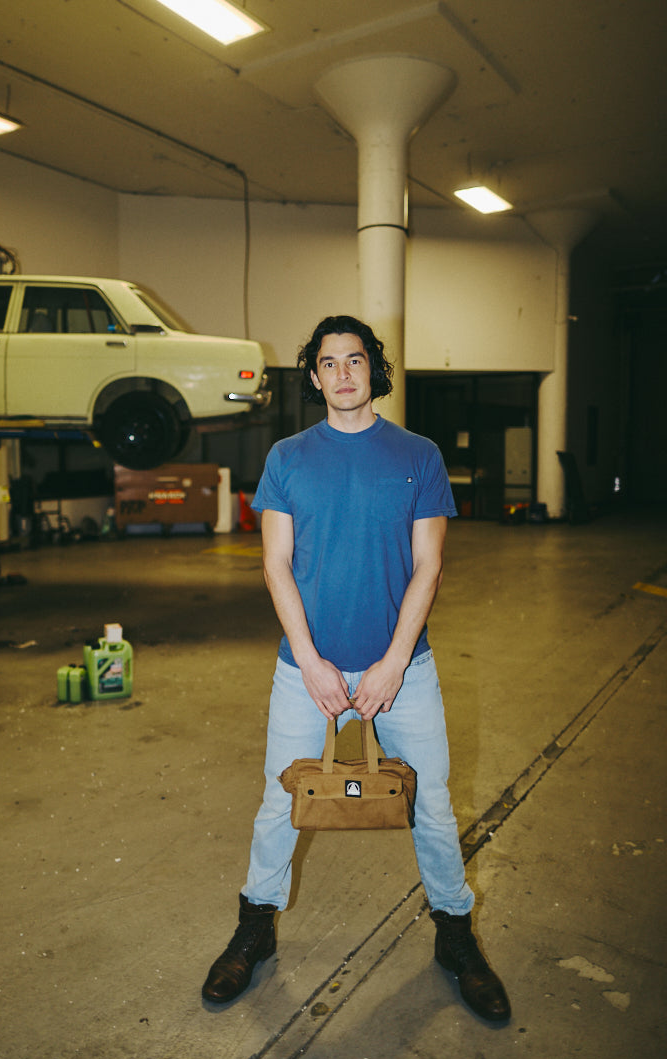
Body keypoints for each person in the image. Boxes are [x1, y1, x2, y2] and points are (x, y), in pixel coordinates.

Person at [202, 315, 510, 1023]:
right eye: (329, 362)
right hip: (305, 669)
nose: (343, 373)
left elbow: (428, 566)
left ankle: (455, 937)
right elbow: (275, 564)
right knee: (280, 801)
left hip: (401, 669)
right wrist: (310, 662)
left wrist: (392, 664)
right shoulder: (287, 457)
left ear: (374, 369)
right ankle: (256, 927)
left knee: (431, 803)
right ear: (313, 375)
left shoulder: (418, 454)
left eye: (356, 360)